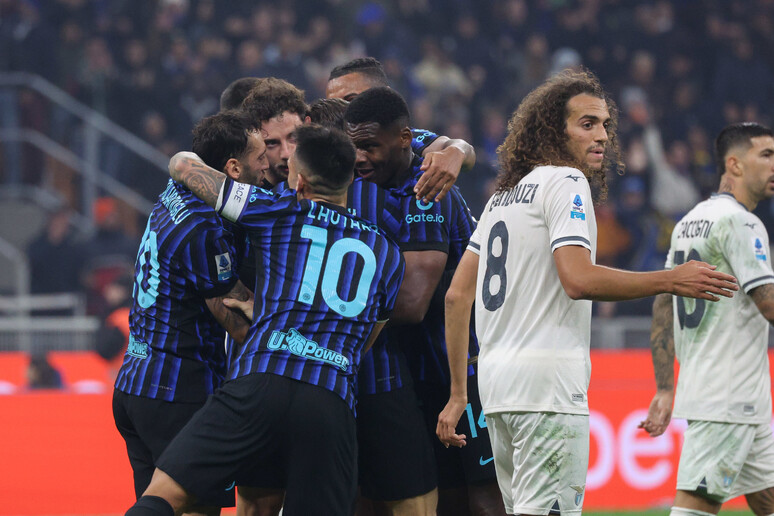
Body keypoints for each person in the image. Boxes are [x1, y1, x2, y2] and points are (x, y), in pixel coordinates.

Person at [436, 70, 739, 516]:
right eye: (587, 124)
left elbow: (456, 296)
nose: (602, 136)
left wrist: (459, 392)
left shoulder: (502, 199)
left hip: (497, 393)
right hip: (548, 389)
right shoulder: (566, 182)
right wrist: (670, 279)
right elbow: (577, 279)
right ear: (552, 131)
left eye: (605, 125)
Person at [124, 124, 405, 516]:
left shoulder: (277, 210)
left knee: (165, 494)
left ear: (300, 182)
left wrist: (265, 311)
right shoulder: (389, 253)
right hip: (330, 399)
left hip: (258, 382)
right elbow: (366, 340)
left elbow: (184, 167)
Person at [344, 87, 505, 515]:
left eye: (369, 146)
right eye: (353, 144)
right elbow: (453, 146)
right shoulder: (368, 177)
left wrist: (330, 318)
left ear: (402, 137)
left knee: (485, 495)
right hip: (419, 367)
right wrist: (457, 148)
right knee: (444, 493)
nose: (359, 156)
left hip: (467, 365)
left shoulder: (428, 186)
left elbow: (414, 302)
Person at [113, 110, 266, 515]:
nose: (268, 164)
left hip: (136, 380)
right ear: (233, 168)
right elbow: (236, 320)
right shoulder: (204, 229)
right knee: (194, 509)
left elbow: (184, 160)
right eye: (260, 156)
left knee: (158, 506)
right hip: (176, 389)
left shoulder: (178, 190)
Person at [640, 123, 774, 516]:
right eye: (766, 155)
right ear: (734, 164)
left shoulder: (690, 220)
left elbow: (663, 303)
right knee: (694, 508)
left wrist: (666, 387)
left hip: (739, 396)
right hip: (728, 397)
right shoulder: (741, 222)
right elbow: (768, 304)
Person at [327, 56, 476, 202]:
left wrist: (455, 153)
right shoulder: (326, 148)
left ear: (384, 95)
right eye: (334, 104)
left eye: (351, 100)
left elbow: (457, 148)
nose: (341, 112)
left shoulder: (400, 140)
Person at [241, 77, 307, 188]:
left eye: (294, 137)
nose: (286, 154)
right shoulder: (248, 196)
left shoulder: (330, 183)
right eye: (272, 143)